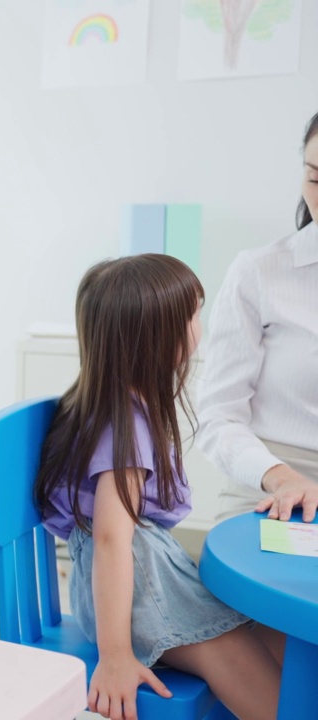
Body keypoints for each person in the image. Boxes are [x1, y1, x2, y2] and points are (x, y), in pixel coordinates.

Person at [35, 255, 282, 720]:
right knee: (243, 661)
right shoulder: (124, 423)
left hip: (144, 575)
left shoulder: (121, 402)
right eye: (192, 315)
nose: (199, 326)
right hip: (135, 590)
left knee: (275, 638)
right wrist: (115, 655)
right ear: (158, 338)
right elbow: (111, 540)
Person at [198, 110, 318, 524]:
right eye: (315, 178)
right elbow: (219, 415)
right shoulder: (259, 272)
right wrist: (280, 477)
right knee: (279, 588)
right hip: (272, 484)